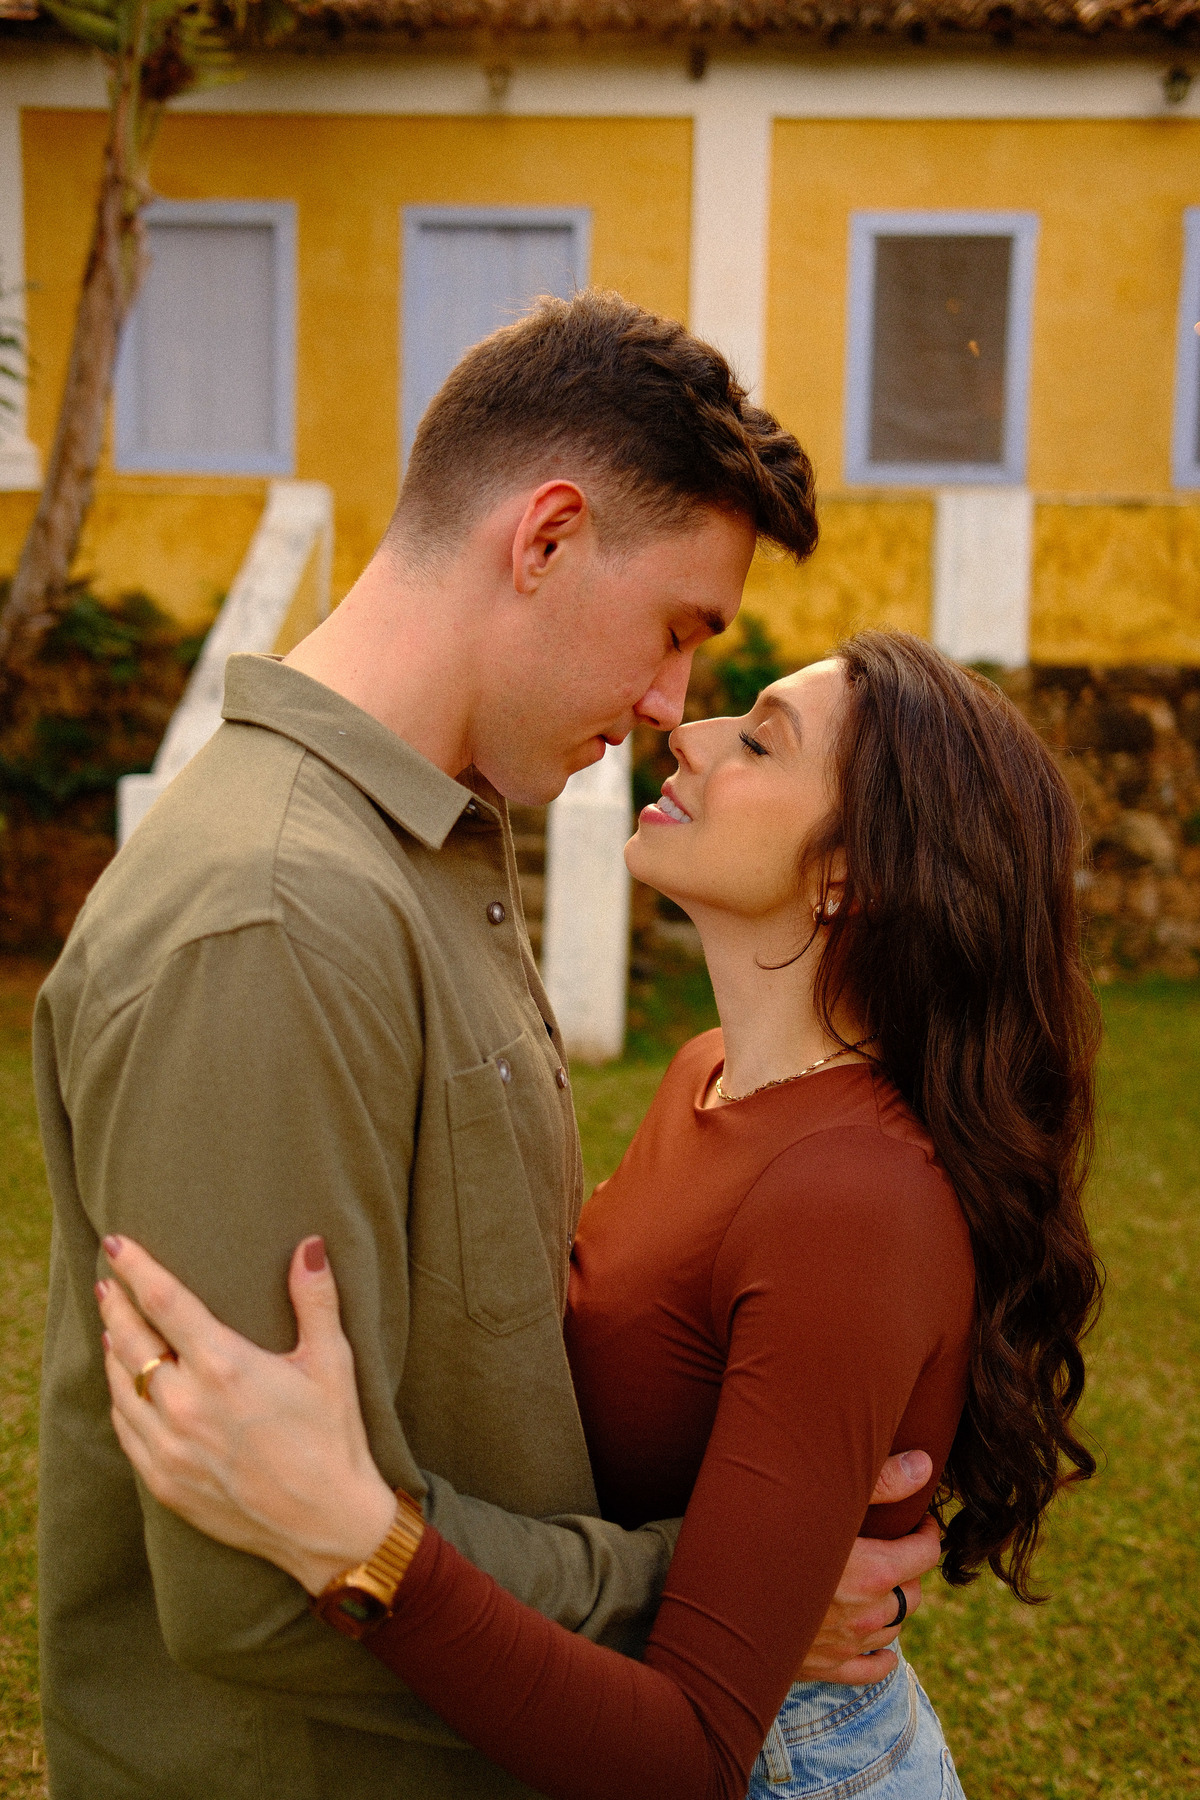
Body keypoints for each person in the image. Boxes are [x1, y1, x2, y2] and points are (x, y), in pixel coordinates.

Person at [35, 292, 938, 1800]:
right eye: (676, 630)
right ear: (547, 538)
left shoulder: (433, 844)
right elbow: (263, 1584)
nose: (670, 706)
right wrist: (720, 1598)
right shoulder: (275, 920)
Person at [96, 630, 1103, 1800]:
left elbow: (690, 1754)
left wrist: (354, 1539)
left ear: (848, 875)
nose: (689, 733)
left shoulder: (853, 1199)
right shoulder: (708, 1073)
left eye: (760, 742)